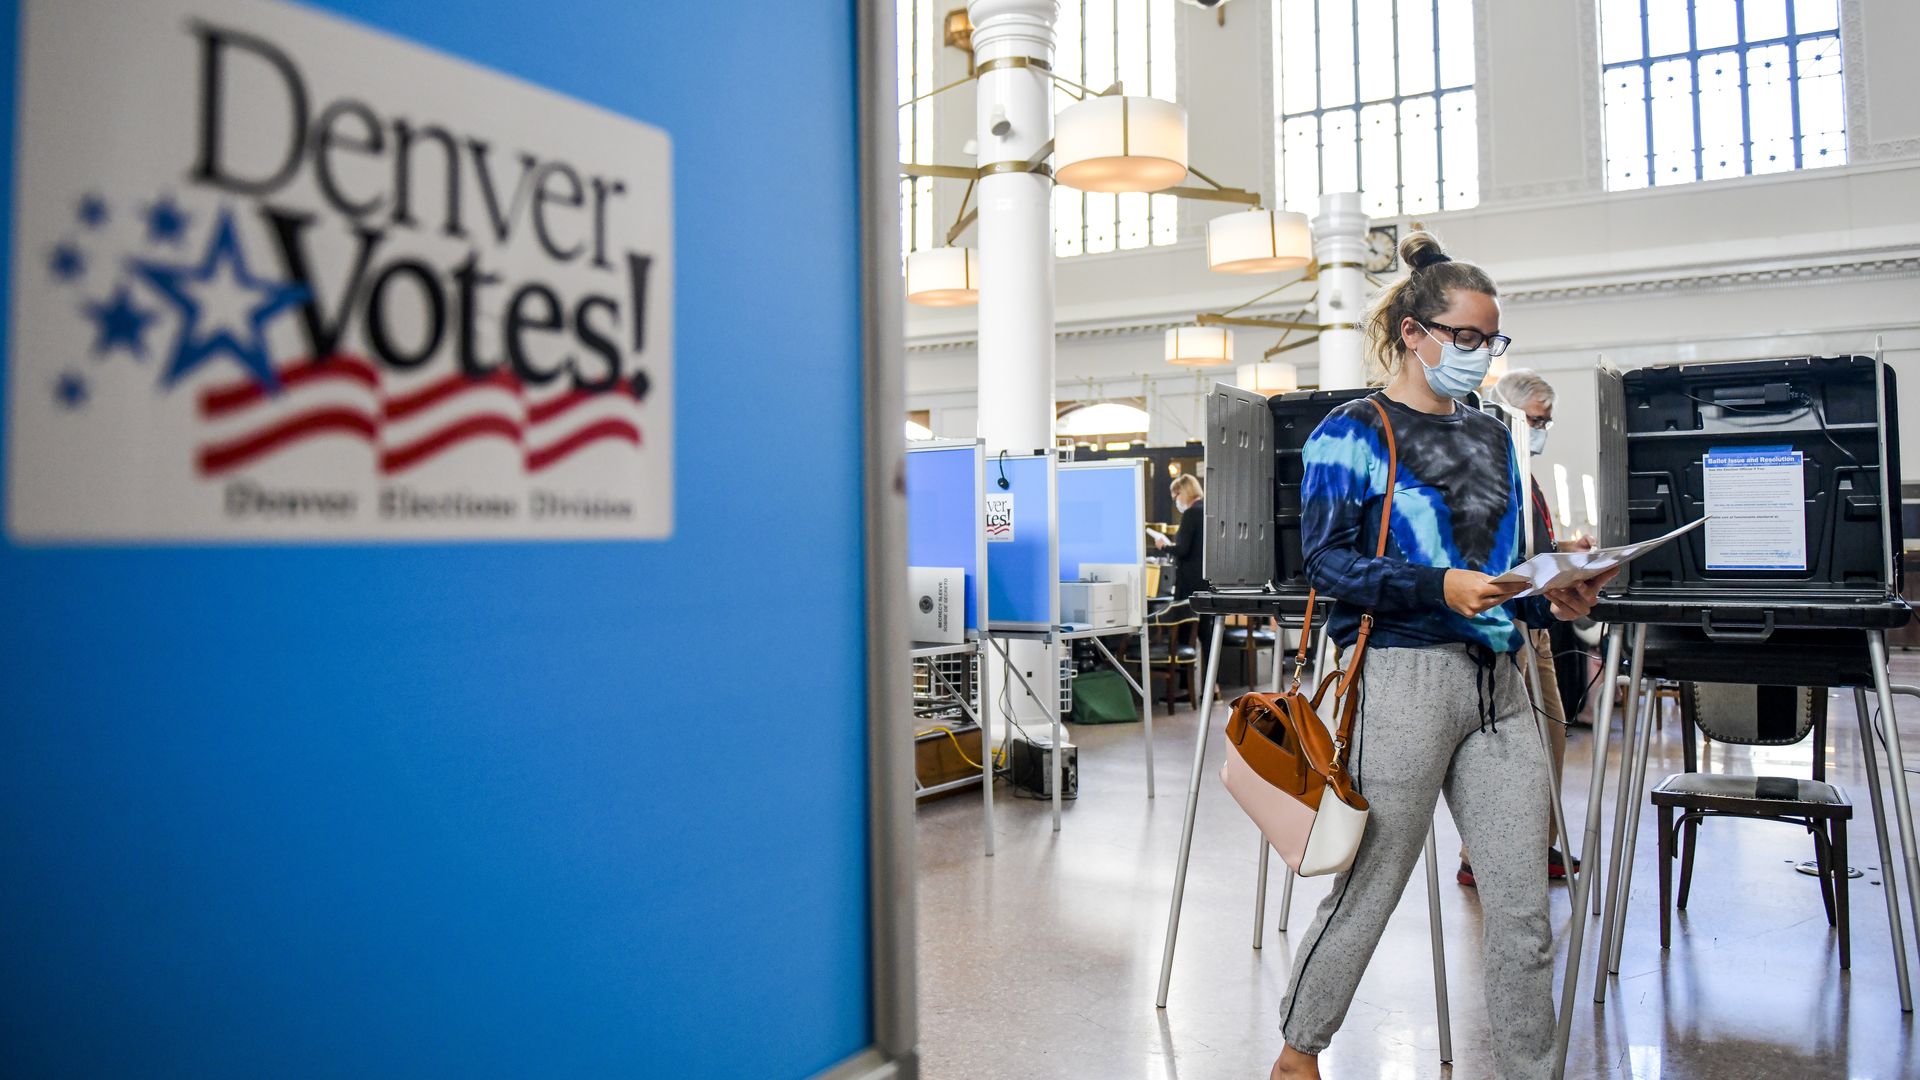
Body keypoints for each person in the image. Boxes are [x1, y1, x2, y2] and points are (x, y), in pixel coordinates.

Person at [1271, 232, 1614, 1080]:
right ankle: (1297, 1053)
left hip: (1503, 683)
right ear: (1414, 333)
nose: (1480, 353)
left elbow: (1506, 570)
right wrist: (1438, 586)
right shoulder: (1353, 431)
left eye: (1491, 340)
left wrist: (1555, 592)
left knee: (1522, 906)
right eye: (1465, 336)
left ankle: (1531, 1069)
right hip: (1402, 676)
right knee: (1372, 884)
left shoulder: (1497, 437)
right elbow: (1326, 564)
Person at [1454, 369, 1584, 887]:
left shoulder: (1523, 474)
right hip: (1506, 621)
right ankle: (1488, 854)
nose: (1541, 430)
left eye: (1546, 422)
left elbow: (1530, 547)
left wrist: (1568, 553)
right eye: (1535, 421)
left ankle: (1531, 845)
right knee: (1510, 746)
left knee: (1550, 732)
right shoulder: (1485, 471)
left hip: (1535, 618)